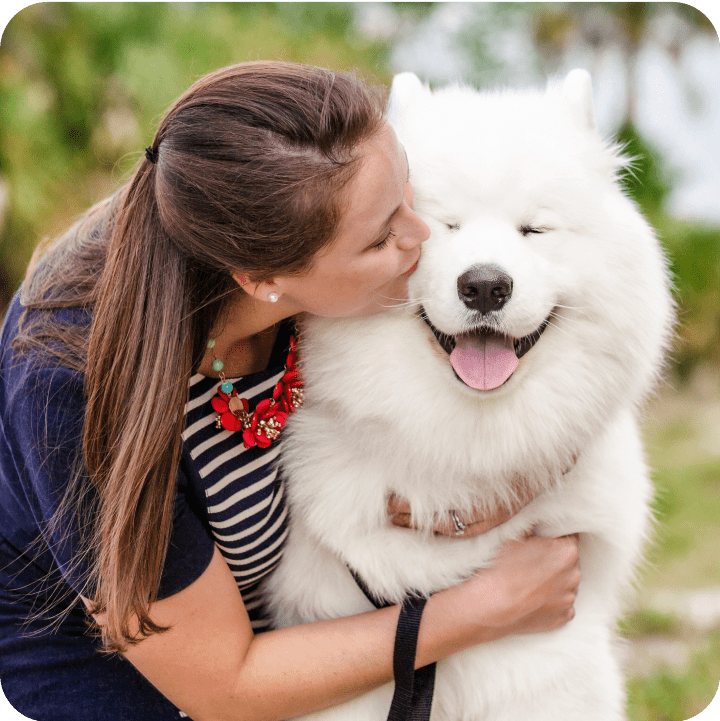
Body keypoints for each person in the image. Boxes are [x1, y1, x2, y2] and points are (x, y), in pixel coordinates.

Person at [0, 61, 581, 721]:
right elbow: (224, 685)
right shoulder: (67, 386)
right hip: (130, 675)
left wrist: (462, 506)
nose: (423, 242)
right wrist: (479, 611)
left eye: (410, 199)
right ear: (265, 278)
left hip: (287, 623)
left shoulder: (295, 205)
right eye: (381, 238)